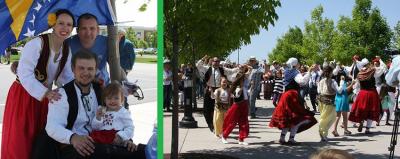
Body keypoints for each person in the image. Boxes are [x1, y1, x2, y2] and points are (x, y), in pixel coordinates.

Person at [1, 9, 75, 159]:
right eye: (61, 23)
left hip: (43, 100)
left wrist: (74, 92)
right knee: (20, 140)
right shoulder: (37, 43)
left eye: (69, 25)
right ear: (53, 24)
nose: (65, 28)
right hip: (23, 96)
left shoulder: (66, 50)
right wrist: (46, 92)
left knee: (37, 140)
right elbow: (24, 73)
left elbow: (66, 79)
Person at [46, 49, 146, 159]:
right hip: (74, 146)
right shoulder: (61, 94)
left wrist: (126, 140)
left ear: (95, 71)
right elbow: (52, 126)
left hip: (100, 140)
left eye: (90, 69)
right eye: (81, 68)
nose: (85, 72)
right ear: (73, 69)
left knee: (134, 151)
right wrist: (73, 137)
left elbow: (116, 118)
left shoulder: (101, 91)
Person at [269, 57, 317, 145]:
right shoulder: (295, 72)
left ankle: (282, 138)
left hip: (285, 95)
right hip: (292, 96)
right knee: (296, 118)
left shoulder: (286, 71)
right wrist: (309, 72)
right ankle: (291, 139)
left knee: (288, 118)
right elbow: (302, 81)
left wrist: (306, 72)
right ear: (295, 64)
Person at [196, 55, 239, 132]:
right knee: (206, 109)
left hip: (219, 91)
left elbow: (231, 71)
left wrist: (239, 68)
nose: (216, 63)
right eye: (214, 61)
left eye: (217, 61)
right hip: (209, 90)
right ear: (212, 62)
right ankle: (211, 125)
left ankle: (218, 127)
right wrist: (203, 59)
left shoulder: (222, 70)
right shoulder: (207, 68)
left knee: (219, 109)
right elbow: (198, 65)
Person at [68, 13, 111, 86]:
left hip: (103, 86)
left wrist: (124, 80)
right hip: (76, 87)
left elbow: (117, 64)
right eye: (84, 28)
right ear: (77, 30)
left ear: (98, 30)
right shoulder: (68, 44)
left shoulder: (108, 42)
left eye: (92, 28)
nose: (88, 33)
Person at [348, 59, 381, 134]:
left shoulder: (359, 73)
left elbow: (356, 85)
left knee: (362, 109)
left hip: (362, 93)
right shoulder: (372, 71)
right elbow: (383, 69)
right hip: (372, 92)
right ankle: (367, 129)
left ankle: (361, 121)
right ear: (368, 64)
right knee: (371, 110)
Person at [221, 66, 252, 145]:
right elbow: (234, 94)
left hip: (244, 103)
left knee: (244, 121)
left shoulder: (244, 83)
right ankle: (224, 136)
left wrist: (248, 67)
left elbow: (249, 72)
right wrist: (239, 91)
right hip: (237, 104)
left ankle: (241, 139)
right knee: (232, 121)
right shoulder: (237, 82)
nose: (245, 80)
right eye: (243, 79)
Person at [317, 63, 340, 142]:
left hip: (321, 101)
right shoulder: (333, 81)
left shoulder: (321, 81)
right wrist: (343, 83)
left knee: (325, 117)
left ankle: (323, 133)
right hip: (329, 102)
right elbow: (339, 91)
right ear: (331, 72)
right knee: (329, 118)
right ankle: (322, 132)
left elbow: (319, 91)